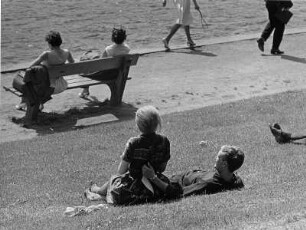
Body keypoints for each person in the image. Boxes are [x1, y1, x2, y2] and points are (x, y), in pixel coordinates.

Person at [84, 105, 181, 205]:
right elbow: (162, 168)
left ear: (138, 125)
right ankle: (99, 190)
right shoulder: (164, 141)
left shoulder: (133, 143)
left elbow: (121, 171)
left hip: (133, 189)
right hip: (156, 186)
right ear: (157, 123)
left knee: (114, 179)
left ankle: (98, 190)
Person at [142, 145, 244, 197]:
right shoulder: (235, 180)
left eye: (218, 157)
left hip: (170, 182)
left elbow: (178, 193)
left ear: (224, 164)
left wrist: (153, 177)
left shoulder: (208, 183)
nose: (215, 158)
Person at [16, 30, 75, 110]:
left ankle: (23, 102)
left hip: (48, 87)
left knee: (24, 79)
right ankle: (39, 103)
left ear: (50, 43)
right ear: (60, 41)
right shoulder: (67, 52)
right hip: (62, 85)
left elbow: (30, 67)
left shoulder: (46, 54)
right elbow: (72, 63)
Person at [78, 27, 130, 98]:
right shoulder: (127, 48)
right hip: (119, 73)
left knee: (85, 65)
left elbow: (100, 63)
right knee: (91, 58)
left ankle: (85, 90)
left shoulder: (109, 49)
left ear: (112, 38)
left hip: (106, 75)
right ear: (124, 38)